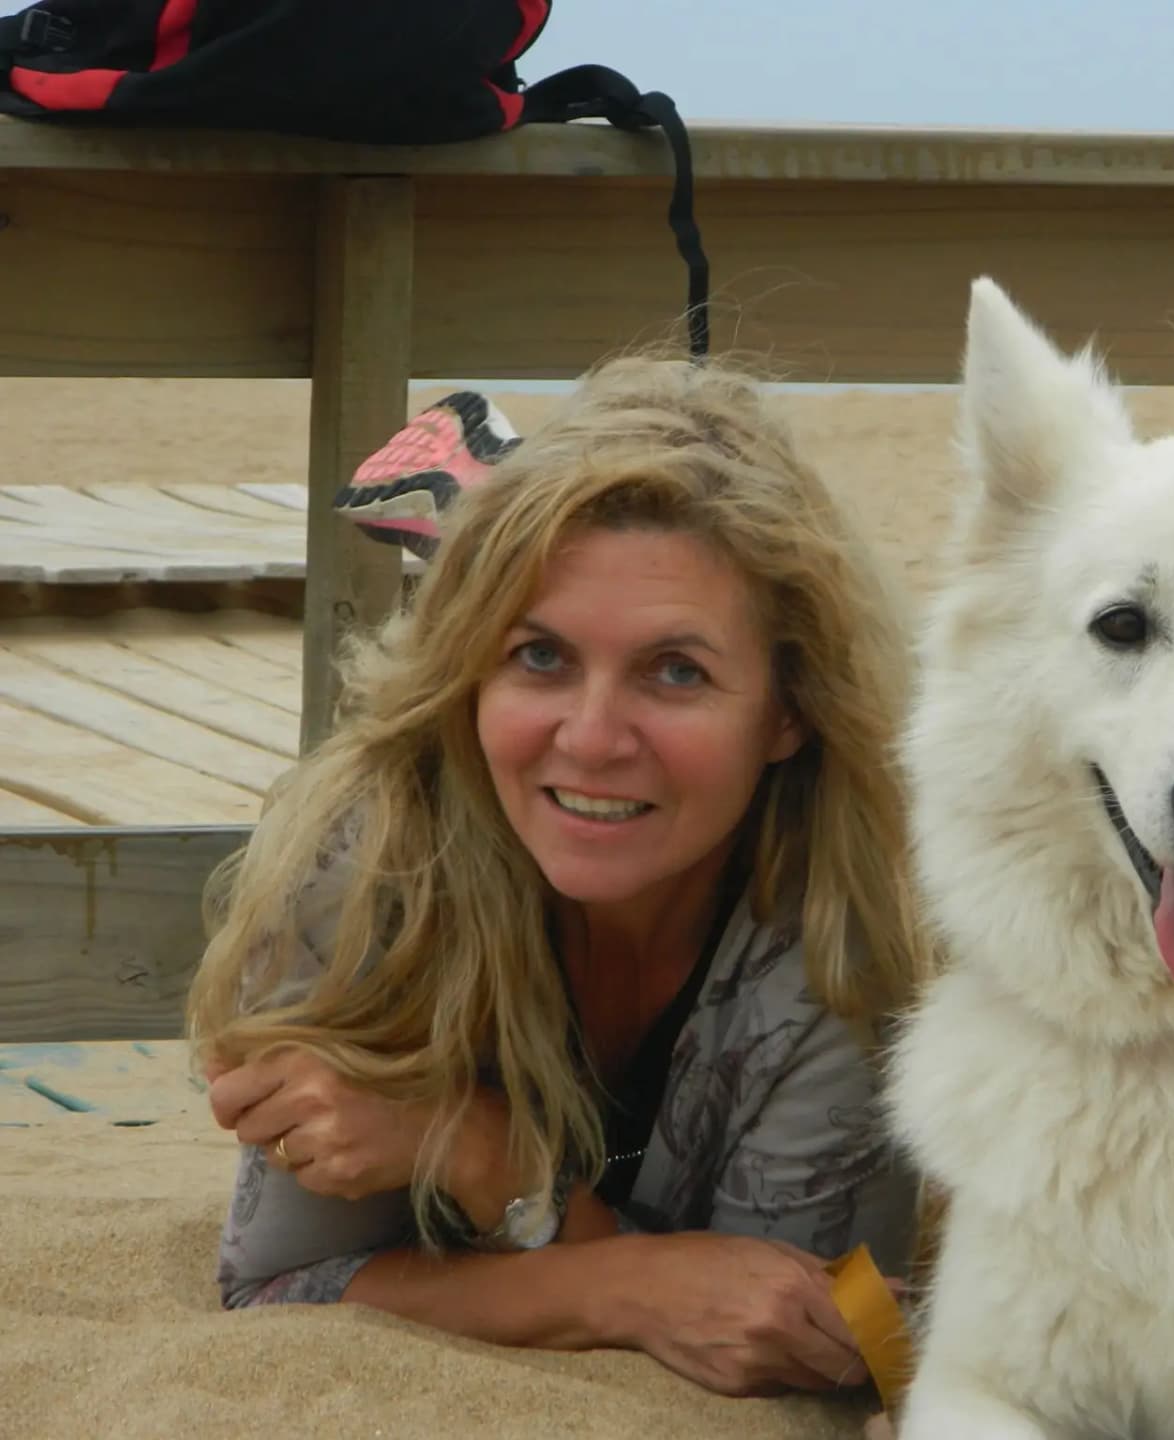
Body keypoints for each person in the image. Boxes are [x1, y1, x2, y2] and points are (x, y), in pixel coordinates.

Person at [185, 353, 932, 1402]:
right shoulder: (370, 864)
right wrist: (622, 1280)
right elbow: (273, 1288)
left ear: (790, 710)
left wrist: (488, 1159)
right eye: (539, 656)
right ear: (471, 667)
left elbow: (799, 1337)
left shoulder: (850, 928)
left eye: (677, 671)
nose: (590, 739)